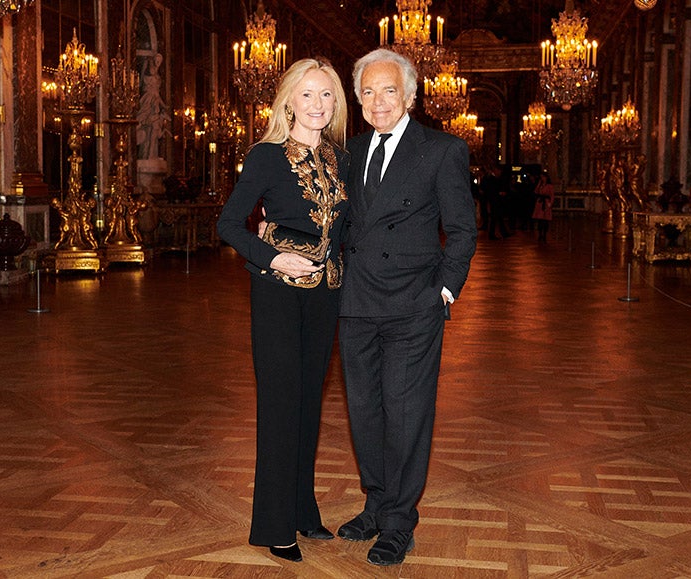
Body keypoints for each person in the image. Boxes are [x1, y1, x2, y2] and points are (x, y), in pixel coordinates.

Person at [336, 48, 477, 566]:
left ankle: (399, 522)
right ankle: (376, 503)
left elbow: (462, 230)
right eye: (368, 92)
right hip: (356, 304)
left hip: (413, 304)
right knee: (365, 411)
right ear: (358, 98)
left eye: (388, 90)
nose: (378, 102)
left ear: (410, 96)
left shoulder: (442, 150)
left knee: (406, 412)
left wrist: (444, 290)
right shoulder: (348, 154)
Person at [216, 58, 349, 564]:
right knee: (280, 404)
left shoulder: (341, 159)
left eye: (328, 96)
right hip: (275, 293)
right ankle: (275, 526)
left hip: (326, 296)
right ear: (289, 101)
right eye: (309, 95)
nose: (318, 105)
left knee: (309, 404)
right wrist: (273, 255)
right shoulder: (266, 157)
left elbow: (347, 229)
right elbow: (229, 225)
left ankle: (302, 510)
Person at [480, 164, 510, 240]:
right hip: (494, 201)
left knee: (498, 217)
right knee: (495, 218)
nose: (500, 173)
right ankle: (493, 234)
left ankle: (502, 233)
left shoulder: (492, 178)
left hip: (495, 200)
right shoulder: (491, 179)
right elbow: (491, 190)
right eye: (499, 171)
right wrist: (499, 193)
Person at [532, 171, 554, 242]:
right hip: (540, 203)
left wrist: (550, 203)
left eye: (543, 177)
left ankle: (544, 235)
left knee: (545, 220)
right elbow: (535, 192)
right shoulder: (540, 185)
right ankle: (540, 234)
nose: (542, 178)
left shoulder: (550, 186)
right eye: (541, 177)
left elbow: (552, 195)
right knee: (540, 220)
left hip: (546, 203)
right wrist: (538, 184)